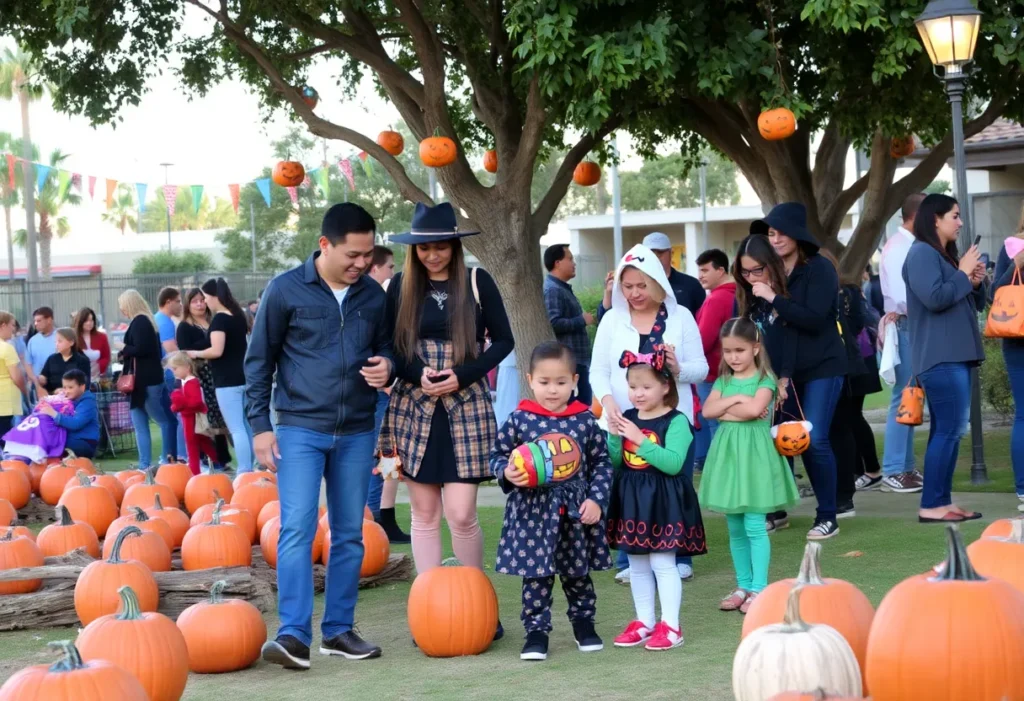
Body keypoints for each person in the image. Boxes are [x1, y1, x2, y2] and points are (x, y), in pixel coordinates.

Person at [247, 202, 392, 668]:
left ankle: (339, 631)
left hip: (356, 430)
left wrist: (388, 365)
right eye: (352, 254)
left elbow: (389, 348)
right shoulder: (285, 290)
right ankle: (292, 635)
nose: (361, 263)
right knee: (296, 530)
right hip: (299, 428)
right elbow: (259, 362)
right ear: (324, 245)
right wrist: (259, 427)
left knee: (351, 532)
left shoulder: (373, 295)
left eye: (367, 254)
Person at [381, 203, 513, 619]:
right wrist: (418, 373)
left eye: (440, 247)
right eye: (424, 249)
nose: (432, 255)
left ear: (454, 246)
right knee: (423, 513)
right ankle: (430, 609)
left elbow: (504, 341)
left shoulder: (477, 281)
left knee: (461, 513)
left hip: (466, 402)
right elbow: (388, 347)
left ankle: (477, 608)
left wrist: (464, 375)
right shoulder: (400, 285)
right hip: (413, 405)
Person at [590, 243, 708, 582]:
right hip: (623, 417)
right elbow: (597, 370)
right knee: (627, 485)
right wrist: (609, 402)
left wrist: (678, 367)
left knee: (675, 482)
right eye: (628, 287)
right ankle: (630, 557)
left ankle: (680, 554)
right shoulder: (613, 319)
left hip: (671, 418)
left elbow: (701, 368)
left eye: (642, 285)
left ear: (657, 282)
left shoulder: (680, 316)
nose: (635, 293)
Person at [490, 342, 611, 661]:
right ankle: (536, 632)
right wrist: (506, 473)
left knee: (577, 573)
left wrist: (597, 500)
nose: (553, 390)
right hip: (532, 513)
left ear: (574, 380)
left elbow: (602, 463)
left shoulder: (584, 420)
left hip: (575, 514)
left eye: (561, 382)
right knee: (536, 575)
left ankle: (584, 624)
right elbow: (497, 455)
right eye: (544, 382)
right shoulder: (520, 419)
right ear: (530, 380)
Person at [753, 203, 847, 540]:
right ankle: (776, 510)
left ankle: (828, 516)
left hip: (823, 365)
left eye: (779, 232)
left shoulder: (820, 268)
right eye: (770, 233)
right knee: (778, 439)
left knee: (814, 438)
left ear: (796, 233)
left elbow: (813, 319)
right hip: (784, 370)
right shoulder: (772, 271)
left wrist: (774, 298)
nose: (774, 239)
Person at [605, 349, 706, 651]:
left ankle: (671, 626)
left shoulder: (677, 422)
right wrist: (613, 436)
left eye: (646, 387)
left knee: (663, 563)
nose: (638, 394)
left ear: (665, 386)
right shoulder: (628, 419)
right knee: (636, 564)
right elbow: (617, 462)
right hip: (633, 502)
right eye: (633, 387)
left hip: (663, 503)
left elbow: (673, 463)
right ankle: (644, 621)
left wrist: (638, 438)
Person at [699, 318, 799, 613]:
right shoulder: (725, 381)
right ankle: (743, 585)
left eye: (739, 350)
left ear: (755, 348)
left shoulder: (766, 380)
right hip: (730, 459)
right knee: (735, 526)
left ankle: (760, 587)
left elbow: (755, 410)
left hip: (755, 459)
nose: (733, 357)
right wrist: (740, 399)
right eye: (728, 351)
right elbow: (707, 411)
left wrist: (727, 407)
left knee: (755, 525)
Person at [904, 194, 986, 523]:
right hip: (940, 357)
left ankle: (942, 502)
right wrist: (963, 274)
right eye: (955, 215)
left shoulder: (943, 256)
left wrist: (973, 282)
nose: (960, 222)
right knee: (950, 430)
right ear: (935, 219)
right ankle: (932, 505)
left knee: (949, 430)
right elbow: (936, 299)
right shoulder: (922, 252)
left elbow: (967, 303)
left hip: (954, 354)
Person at [818, 250, 882, 517]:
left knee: (849, 421)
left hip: (853, 364)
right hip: (852, 363)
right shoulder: (847, 291)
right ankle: (860, 471)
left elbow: (856, 323)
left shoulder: (845, 292)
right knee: (847, 422)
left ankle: (868, 471)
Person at [872, 193, 928, 494]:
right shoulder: (897, 248)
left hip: (913, 326)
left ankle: (904, 466)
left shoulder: (909, 245)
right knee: (903, 396)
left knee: (912, 397)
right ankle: (894, 469)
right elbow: (903, 296)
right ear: (915, 216)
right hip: (906, 325)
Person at [364, 244, 410, 543]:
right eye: (390, 266)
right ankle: (378, 515)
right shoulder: (372, 300)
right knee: (386, 456)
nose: (392, 271)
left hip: (383, 391)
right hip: (379, 393)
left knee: (388, 457)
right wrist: (386, 384)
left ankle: (382, 515)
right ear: (375, 268)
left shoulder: (376, 298)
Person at [189, 278, 254, 473]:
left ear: (215, 296)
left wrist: (196, 353)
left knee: (236, 428)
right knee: (245, 425)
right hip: (243, 377)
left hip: (227, 381)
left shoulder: (219, 319)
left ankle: (244, 469)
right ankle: (251, 466)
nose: (205, 301)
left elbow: (217, 350)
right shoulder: (238, 316)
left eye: (206, 297)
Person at [117, 289, 179, 468]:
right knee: (144, 424)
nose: (122, 310)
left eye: (123, 306)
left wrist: (123, 347)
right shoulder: (144, 321)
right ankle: (146, 464)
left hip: (145, 381)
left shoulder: (141, 322)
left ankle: (165, 460)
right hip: (142, 381)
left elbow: (141, 349)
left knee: (162, 421)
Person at [176, 288, 232, 472]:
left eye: (202, 300)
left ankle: (223, 459)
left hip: (218, 374)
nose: (200, 304)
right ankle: (208, 459)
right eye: (195, 301)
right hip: (200, 377)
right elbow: (185, 352)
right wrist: (210, 344)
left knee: (220, 416)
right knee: (204, 418)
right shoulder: (185, 326)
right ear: (188, 304)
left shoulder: (214, 321)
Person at [597, 232, 705, 321]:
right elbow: (605, 319)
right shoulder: (627, 283)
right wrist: (608, 293)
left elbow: (702, 320)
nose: (655, 257)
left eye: (660, 253)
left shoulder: (691, 285)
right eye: (650, 253)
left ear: (671, 253)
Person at [693, 249, 736, 469]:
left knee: (715, 425)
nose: (700, 275)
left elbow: (703, 340)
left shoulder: (717, 299)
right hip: (733, 371)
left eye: (705, 270)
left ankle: (721, 470)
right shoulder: (738, 294)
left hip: (711, 373)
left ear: (720, 270)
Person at [994, 203, 1024, 511]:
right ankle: (1023, 489)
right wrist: (1016, 263)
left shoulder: (1011, 245)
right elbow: (996, 293)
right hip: (1018, 340)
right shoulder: (1014, 247)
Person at [543, 244, 596, 406]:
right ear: (557, 263)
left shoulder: (561, 288)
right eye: (570, 259)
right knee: (576, 409)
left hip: (576, 362)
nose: (574, 263)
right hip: (568, 363)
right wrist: (582, 320)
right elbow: (553, 323)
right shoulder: (553, 290)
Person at [166, 351, 218, 476]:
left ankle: (195, 472)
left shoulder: (191, 382)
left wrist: (179, 402)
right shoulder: (186, 382)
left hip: (192, 419)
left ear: (187, 367)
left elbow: (195, 402)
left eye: (175, 368)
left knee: (192, 446)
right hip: (189, 418)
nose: (174, 372)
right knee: (202, 442)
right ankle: (215, 463)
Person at [154, 287, 186, 463]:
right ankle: (177, 455)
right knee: (177, 416)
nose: (181, 305)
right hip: (169, 374)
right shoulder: (164, 322)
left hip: (165, 373)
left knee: (170, 418)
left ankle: (171, 455)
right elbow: (170, 349)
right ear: (168, 302)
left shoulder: (159, 319)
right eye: (178, 301)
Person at [38, 369, 100, 458]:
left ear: (82, 387)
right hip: (71, 439)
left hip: (84, 442)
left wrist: (54, 414)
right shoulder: (69, 400)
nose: (67, 391)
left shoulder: (88, 402)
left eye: (70, 387)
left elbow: (76, 423)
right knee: (46, 438)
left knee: (52, 441)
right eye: (64, 387)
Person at [36, 328, 91, 398]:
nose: (56, 344)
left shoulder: (82, 360)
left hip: (76, 401)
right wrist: (40, 380)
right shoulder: (51, 359)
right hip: (55, 399)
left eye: (60, 341)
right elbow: (44, 379)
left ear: (71, 342)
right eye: (55, 342)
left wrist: (67, 391)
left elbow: (85, 385)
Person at [0, 312, 26, 443]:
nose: (13, 329)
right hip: (5, 401)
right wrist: (25, 391)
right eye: (12, 325)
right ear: (3, 325)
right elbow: (17, 377)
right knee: (5, 439)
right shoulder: (6, 348)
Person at [24, 307, 57, 395]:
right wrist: (35, 381)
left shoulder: (60, 337)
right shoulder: (33, 340)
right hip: (39, 387)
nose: (35, 324)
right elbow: (28, 363)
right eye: (35, 321)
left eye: (39, 321)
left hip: (59, 386)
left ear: (49, 320)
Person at [73, 307, 111, 383]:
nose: (89, 323)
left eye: (91, 320)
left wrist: (98, 368)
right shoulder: (74, 337)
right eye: (86, 320)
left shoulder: (102, 337)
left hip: (98, 378)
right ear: (80, 321)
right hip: (78, 379)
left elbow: (106, 357)